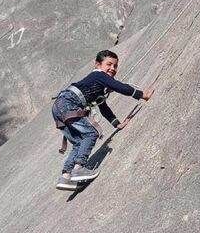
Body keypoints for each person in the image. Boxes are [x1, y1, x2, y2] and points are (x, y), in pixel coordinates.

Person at [51, 50, 155, 191]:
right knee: (90, 134)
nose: (112, 68)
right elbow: (120, 87)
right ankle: (79, 168)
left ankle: (66, 177)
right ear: (98, 65)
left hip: (59, 106)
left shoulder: (98, 84)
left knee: (78, 142)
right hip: (69, 102)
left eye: (115, 66)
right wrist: (142, 95)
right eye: (109, 64)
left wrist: (117, 124)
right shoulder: (98, 75)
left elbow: (103, 106)